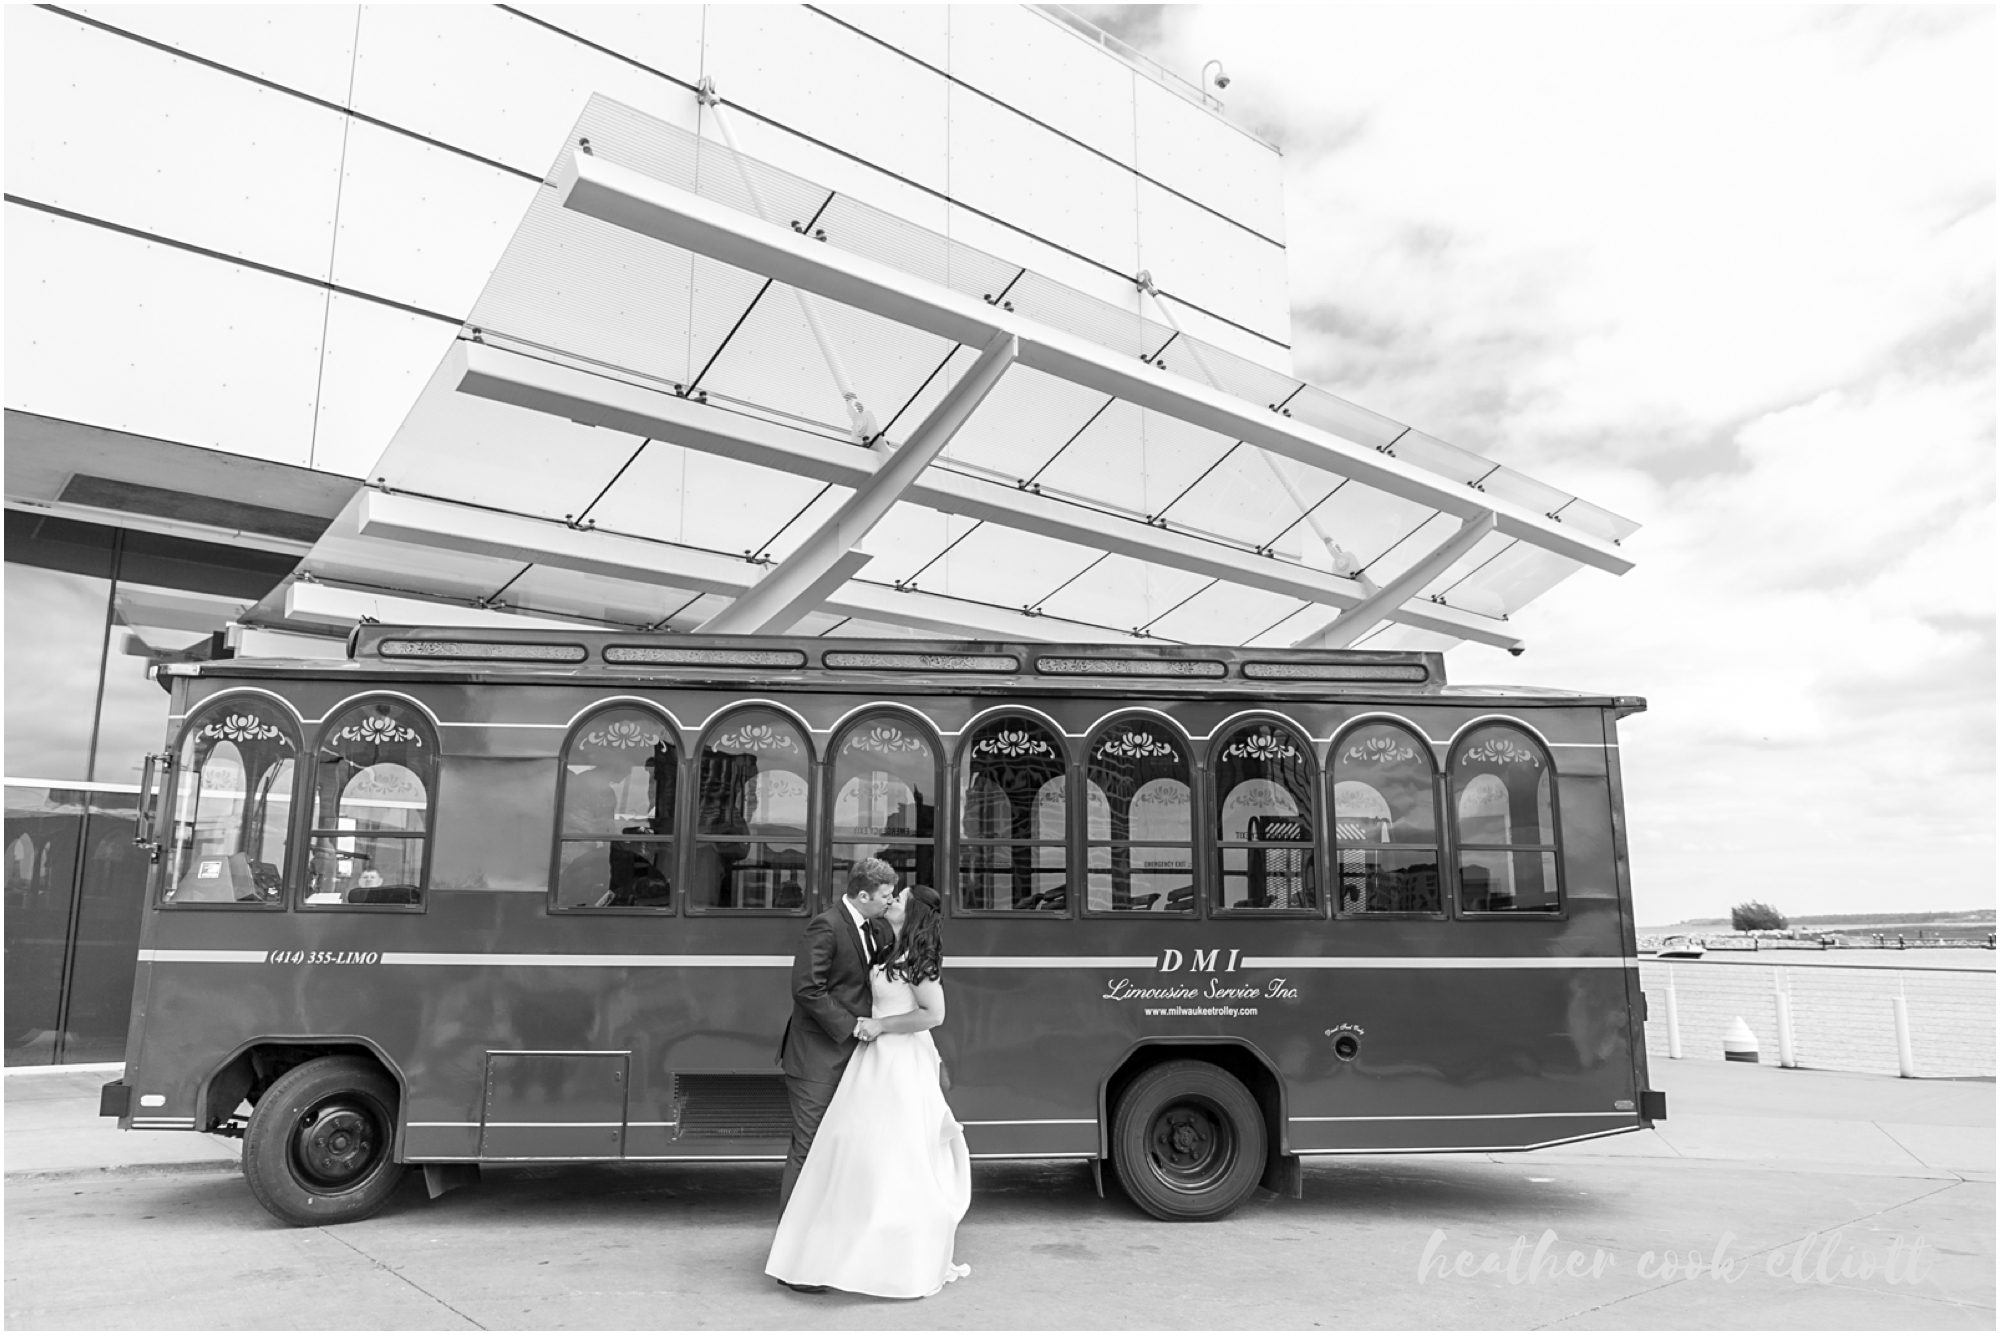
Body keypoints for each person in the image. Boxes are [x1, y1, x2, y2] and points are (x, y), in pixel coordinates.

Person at [766, 883, 971, 1298]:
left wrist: (879, 1026)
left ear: (912, 913)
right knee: (852, 1154)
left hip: (898, 1064)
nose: (892, 899)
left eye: (901, 897)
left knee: (894, 1156)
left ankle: (892, 1254)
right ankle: (823, 1252)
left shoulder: (917, 959)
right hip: (872, 1063)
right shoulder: (886, 947)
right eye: (890, 894)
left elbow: (934, 1014)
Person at [776, 858, 899, 1215]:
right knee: (809, 1148)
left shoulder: (873, 928)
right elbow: (806, 988)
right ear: (863, 895)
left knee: (837, 1148)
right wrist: (852, 1026)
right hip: (815, 1057)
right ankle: (791, 1252)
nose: (889, 902)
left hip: (846, 1058)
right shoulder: (826, 926)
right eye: (885, 896)